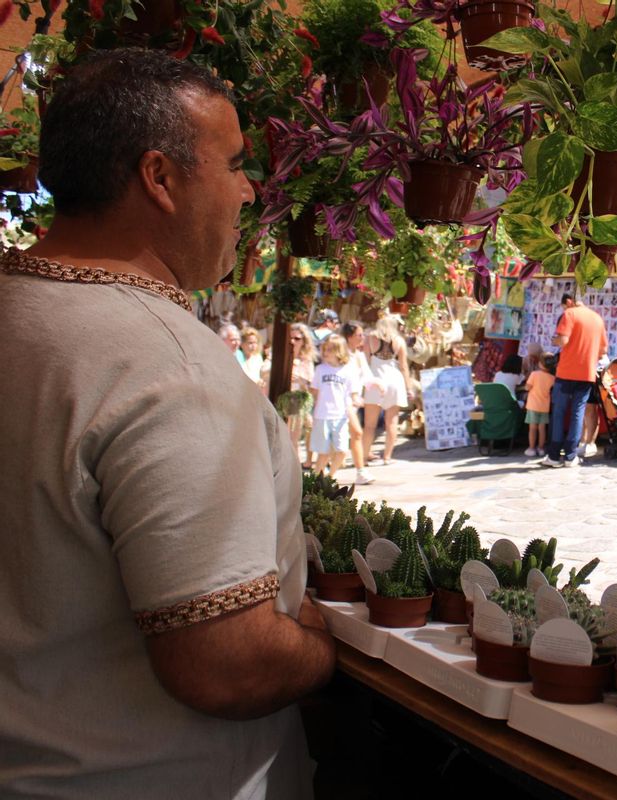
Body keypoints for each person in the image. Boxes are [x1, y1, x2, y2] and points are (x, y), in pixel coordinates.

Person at [0, 49, 334, 796]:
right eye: (236, 164)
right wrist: (317, 644)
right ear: (160, 178)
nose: (249, 192)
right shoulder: (167, 367)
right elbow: (226, 664)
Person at [542, 293, 607, 468]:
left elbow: (563, 340)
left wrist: (556, 340)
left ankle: (554, 456)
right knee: (578, 413)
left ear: (569, 302)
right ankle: (571, 456)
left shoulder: (569, 314)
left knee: (559, 412)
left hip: (566, 372)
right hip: (587, 373)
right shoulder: (597, 318)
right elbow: (602, 351)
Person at [362, 314, 412, 466]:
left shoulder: (370, 339)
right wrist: (409, 387)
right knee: (392, 422)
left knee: (369, 425)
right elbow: (403, 366)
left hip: (375, 380)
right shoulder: (399, 341)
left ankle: (363, 457)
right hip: (394, 381)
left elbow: (365, 362)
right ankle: (387, 457)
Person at [311, 333, 361, 477]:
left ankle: (330, 476)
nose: (325, 353)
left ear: (339, 351)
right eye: (324, 349)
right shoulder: (320, 369)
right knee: (323, 453)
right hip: (322, 415)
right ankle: (316, 480)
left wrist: (356, 399)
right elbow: (314, 390)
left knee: (342, 451)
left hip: (340, 415)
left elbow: (354, 391)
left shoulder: (348, 370)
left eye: (329, 350)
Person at [340, 320, 375, 485]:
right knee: (356, 433)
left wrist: (379, 385)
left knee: (346, 437)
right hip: (342, 400)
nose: (363, 338)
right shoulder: (342, 354)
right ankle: (360, 471)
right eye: (359, 335)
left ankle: (327, 471)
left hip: (353, 401)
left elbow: (366, 376)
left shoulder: (359, 355)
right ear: (349, 337)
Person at [287, 323, 317, 466]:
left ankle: (302, 464)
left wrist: (300, 379)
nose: (293, 341)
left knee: (297, 435)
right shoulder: (281, 355)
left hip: (299, 400)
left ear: (304, 341)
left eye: (297, 338)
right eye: (291, 338)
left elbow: (310, 385)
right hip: (284, 400)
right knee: (290, 436)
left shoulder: (307, 360)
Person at [524, 352, 556, 458]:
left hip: (533, 405)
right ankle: (541, 448)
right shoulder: (552, 378)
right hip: (544, 406)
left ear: (540, 363)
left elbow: (527, 388)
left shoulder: (534, 374)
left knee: (532, 428)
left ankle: (531, 448)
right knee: (542, 429)